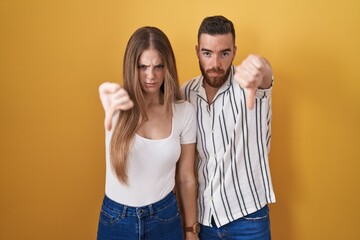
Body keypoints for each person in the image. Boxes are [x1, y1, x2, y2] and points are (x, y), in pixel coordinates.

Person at [100, 15, 276, 240]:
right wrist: (191, 226)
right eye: (207, 53)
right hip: (204, 218)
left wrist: (260, 66)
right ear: (197, 51)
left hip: (247, 216)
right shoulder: (186, 94)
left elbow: (265, 76)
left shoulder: (250, 87)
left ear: (234, 51)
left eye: (224, 53)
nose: (215, 63)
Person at [97, 26, 198, 240]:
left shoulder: (184, 112)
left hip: (165, 218)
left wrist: (190, 229)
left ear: (167, 67)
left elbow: (187, 177)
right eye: (143, 66)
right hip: (117, 220)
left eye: (158, 66)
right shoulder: (117, 106)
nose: (150, 76)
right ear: (132, 66)